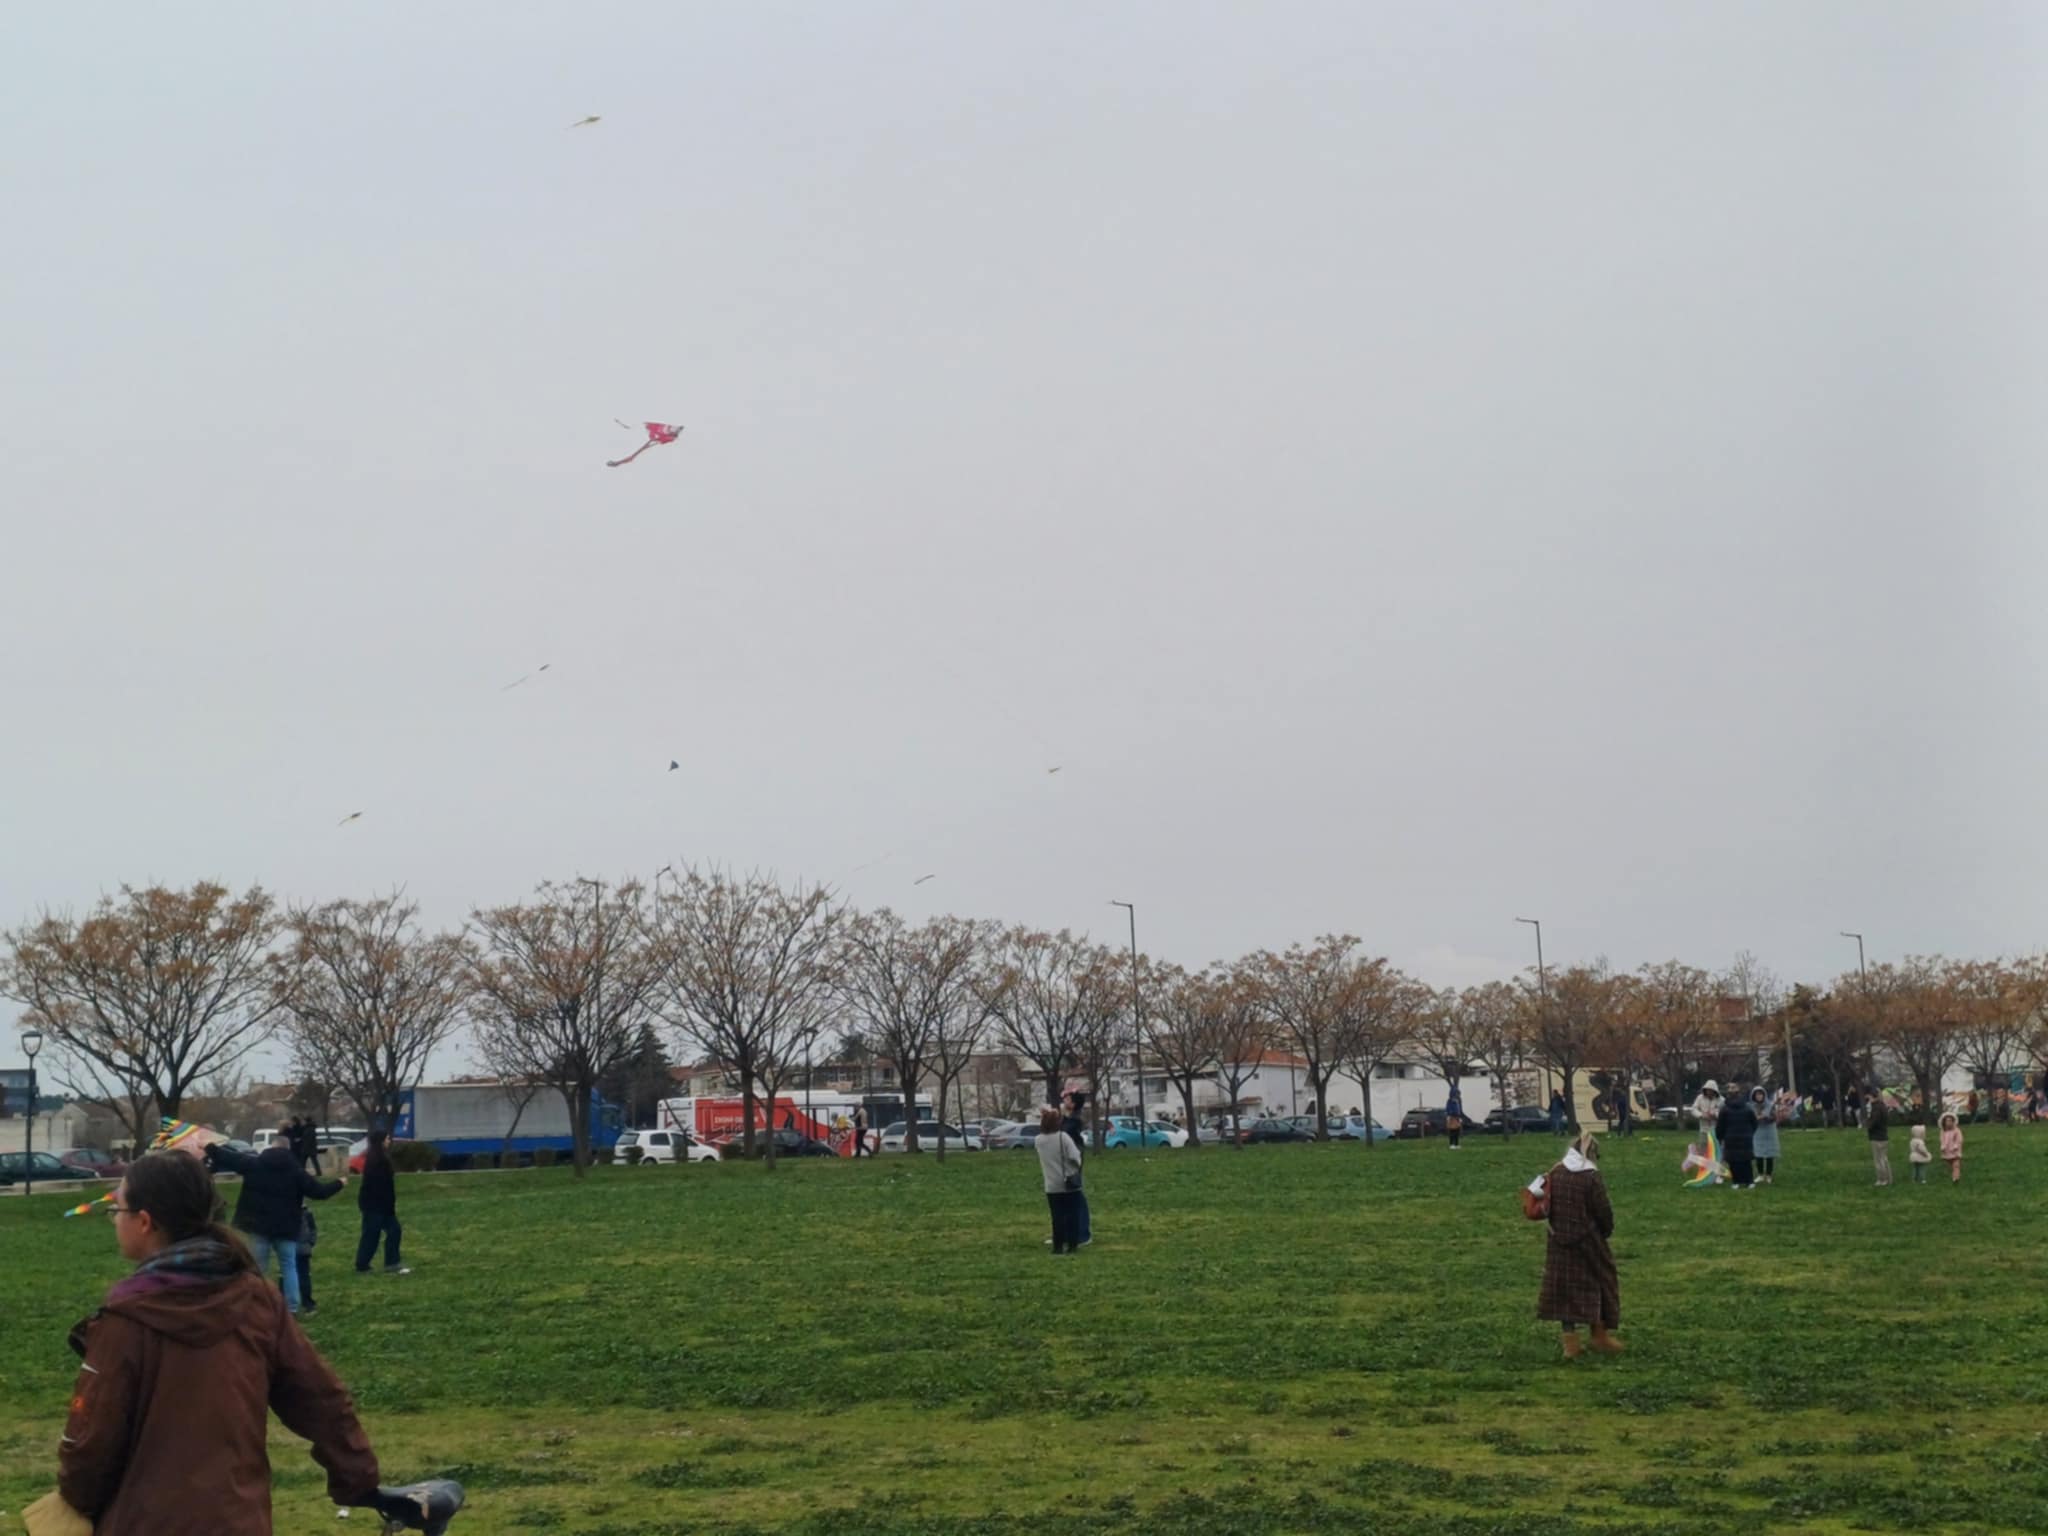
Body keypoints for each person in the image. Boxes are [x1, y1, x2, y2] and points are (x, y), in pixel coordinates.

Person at [45, 1150, 384, 1535]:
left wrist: (76, 1502)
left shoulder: (126, 1319)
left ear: (144, 1222)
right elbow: (322, 1400)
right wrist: (358, 1475)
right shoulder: (257, 1297)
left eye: (117, 1211)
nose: (114, 1222)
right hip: (238, 1521)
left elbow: (91, 1443)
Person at [206, 1126, 346, 1315]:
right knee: (289, 1266)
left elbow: (229, 1157)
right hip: (286, 1227)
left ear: (270, 1148)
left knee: (259, 1268)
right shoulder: (296, 1172)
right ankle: (292, 1307)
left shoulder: (253, 1164)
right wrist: (340, 1183)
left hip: (257, 1225)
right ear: (288, 1150)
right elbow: (319, 1192)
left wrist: (208, 1146)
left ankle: (259, 1305)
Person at [1533, 1131, 1621, 1358]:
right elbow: (1602, 1210)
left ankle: (1570, 1343)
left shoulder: (1556, 1171)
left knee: (1564, 1289)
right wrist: (1606, 1230)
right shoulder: (1590, 1176)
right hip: (1588, 1240)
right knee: (1601, 1281)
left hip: (1558, 1239)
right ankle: (1599, 1335)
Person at [354, 1130, 408, 1276]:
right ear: (381, 1140)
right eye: (387, 1138)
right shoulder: (377, 1160)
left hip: (379, 1204)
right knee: (372, 1234)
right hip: (376, 1205)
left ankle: (391, 1262)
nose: (389, 1141)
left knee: (392, 1231)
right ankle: (363, 1264)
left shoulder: (378, 1158)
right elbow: (379, 1186)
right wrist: (387, 1205)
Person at [1034, 1104, 1084, 1254]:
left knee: (1057, 1217)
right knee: (1072, 1215)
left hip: (1051, 1184)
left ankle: (1057, 1246)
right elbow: (1075, 1157)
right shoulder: (1063, 1137)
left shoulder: (1039, 1140)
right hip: (1068, 1182)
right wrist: (1076, 1167)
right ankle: (1072, 1245)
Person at [1061, 1091, 1094, 1246]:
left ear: (1073, 1104)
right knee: (1067, 1197)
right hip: (1067, 1161)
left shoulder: (1075, 1120)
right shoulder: (1070, 1119)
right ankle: (1068, 1233)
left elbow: (1064, 1131)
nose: (1064, 1100)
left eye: (1067, 1099)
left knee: (1076, 1196)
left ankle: (1083, 1234)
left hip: (1073, 1162)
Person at [1718, 1086, 1759, 1190]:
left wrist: (1720, 1137)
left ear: (1728, 1095)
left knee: (1733, 1161)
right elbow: (1754, 1122)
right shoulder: (1747, 1107)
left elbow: (1720, 1126)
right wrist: (1750, 1133)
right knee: (1746, 1160)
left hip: (1730, 1138)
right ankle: (1749, 1181)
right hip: (1746, 1137)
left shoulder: (1724, 1109)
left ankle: (1736, 1182)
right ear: (1739, 1094)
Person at [1749, 1087, 1781, 1185]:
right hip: (1758, 1132)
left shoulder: (1770, 1105)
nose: (1759, 1096)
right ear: (1754, 1096)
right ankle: (1760, 1174)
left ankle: (1768, 1175)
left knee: (1769, 1154)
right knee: (1759, 1154)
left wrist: (1769, 1117)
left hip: (1769, 1131)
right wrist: (1756, 1118)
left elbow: (1775, 1117)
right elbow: (1750, 1118)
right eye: (1757, 1094)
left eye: (1761, 1094)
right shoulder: (1751, 1106)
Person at [1866, 1090, 1892, 1186]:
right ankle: (1888, 1178)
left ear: (1872, 1097)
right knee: (1884, 1158)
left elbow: (1874, 1121)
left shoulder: (1876, 1108)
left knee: (1878, 1160)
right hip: (1883, 1135)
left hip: (1877, 1136)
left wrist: (1868, 1125)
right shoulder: (1883, 1106)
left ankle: (1882, 1179)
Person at [1939, 1111, 1963, 1184]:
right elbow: (1942, 1139)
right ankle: (1953, 1174)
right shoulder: (1943, 1131)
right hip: (1947, 1150)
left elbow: (1959, 1139)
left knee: (1956, 1164)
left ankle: (1956, 1178)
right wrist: (1943, 1145)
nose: (1949, 1123)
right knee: (1950, 1164)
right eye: (1947, 1121)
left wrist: (1956, 1145)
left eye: (1950, 1121)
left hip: (1954, 1150)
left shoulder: (1956, 1130)